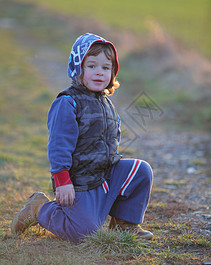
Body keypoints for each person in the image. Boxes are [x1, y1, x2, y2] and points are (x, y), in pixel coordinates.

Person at [11, 33, 153, 243]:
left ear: (113, 73)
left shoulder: (106, 103)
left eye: (106, 68)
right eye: (92, 66)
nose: (99, 72)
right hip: (80, 182)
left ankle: (124, 226)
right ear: (78, 69)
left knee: (141, 171)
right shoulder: (68, 103)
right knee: (84, 233)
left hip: (105, 173)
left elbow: (113, 137)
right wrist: (62, 180)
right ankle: (40, 208)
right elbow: (58, 145)